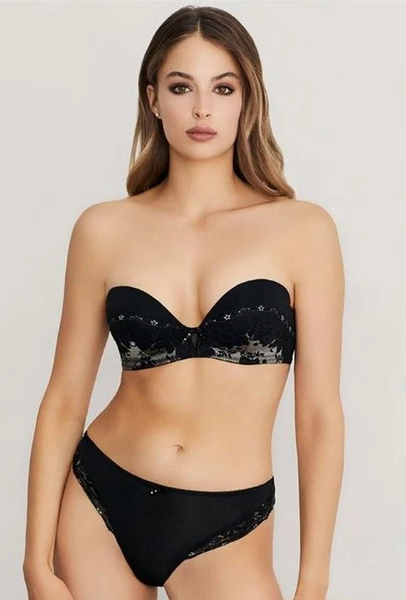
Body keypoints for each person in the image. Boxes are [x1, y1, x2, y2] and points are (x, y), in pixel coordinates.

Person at [23, 5, 345, 600]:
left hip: (230, 524)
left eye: (223, 88)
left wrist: (314, 579)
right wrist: (35, 563)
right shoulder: (103, 229)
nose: (202, 109)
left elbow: (319, 415)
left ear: (247, 101)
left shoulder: (303, 231)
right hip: (102, 502)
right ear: (152, 99)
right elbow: (65, 399)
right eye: (180, 87)